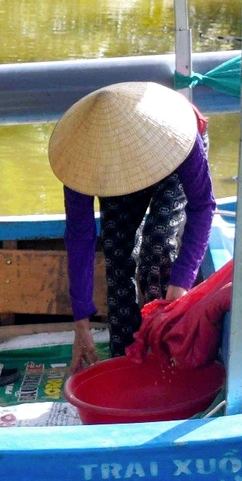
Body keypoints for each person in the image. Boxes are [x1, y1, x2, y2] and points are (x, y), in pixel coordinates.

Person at [49, 81, 217, 373]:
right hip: (110, 167)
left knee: (156, 248)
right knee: (117, 254)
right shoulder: (81, 157)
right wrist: (81, 323)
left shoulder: (180, 135)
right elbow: (80, 237)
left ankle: (164, 349)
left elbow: (203, 206)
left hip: (168, 154)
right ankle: (124, 359)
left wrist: (181, 283)